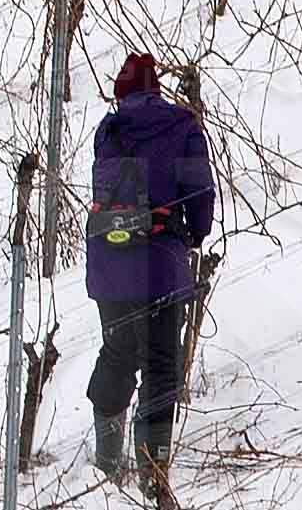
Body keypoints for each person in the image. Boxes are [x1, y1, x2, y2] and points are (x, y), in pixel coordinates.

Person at [85, 55, 218, 486]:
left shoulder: (109, 131)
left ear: (122, 94)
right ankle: (152, 469)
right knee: (161, 362)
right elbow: (199, 190)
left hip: (109, 263)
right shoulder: (182, 125)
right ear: (156, 87)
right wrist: (195, 234)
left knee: (119, 352)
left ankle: (107, 460)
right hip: (159, 262)